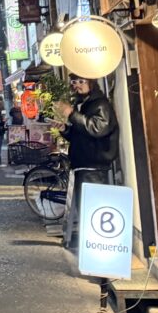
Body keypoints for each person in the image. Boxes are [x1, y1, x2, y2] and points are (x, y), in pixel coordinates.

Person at [54, 75, 119, 245]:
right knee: (85, 209)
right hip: (84, 164)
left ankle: (97, 248)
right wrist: (65, 129)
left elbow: (97, 128)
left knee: (92, 210)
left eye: (81, 82)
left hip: (94, 166)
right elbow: (80, 135)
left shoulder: (100, 104)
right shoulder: (85, 104)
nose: (77, 86)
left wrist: (73, 114)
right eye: (74, 82)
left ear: (92, 83)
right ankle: (92, 247)